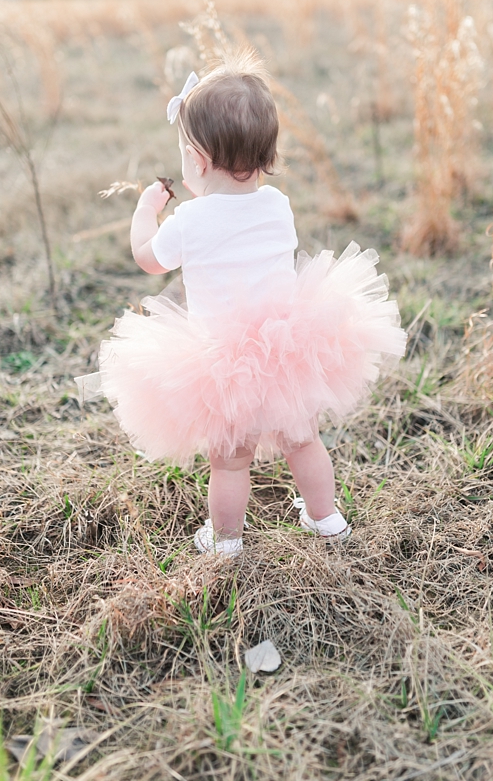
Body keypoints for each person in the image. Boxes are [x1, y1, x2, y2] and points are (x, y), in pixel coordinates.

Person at [98, 50, 406, 557]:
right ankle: (325, 518)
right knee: (303, 439)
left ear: (197, 161)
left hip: (222, 364)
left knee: (230, 460)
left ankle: (226, 541)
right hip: (286, 349)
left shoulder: (189, 221)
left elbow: (148, 260)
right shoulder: (277, 205)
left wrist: (145, 209)